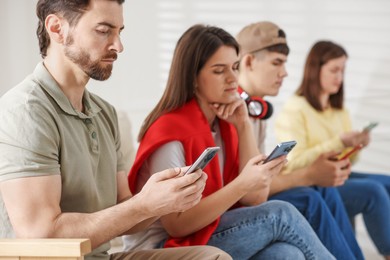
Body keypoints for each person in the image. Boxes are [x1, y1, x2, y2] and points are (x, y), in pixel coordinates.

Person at [0, 1, 233, 260]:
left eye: (119, 31)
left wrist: (159, 201)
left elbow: (126, 213)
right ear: (57, 28)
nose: (118, 46)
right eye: (103, 30)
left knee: (212, 257)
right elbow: (41, 235)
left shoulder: (105, 114)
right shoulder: (24, 111)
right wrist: (142, 205)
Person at [123, 23, 335, 260]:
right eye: (219, 70)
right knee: (281, 213)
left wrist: (243, 125)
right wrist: (242, 183)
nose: (233, 78)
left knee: (287, 254)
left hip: (207, 230)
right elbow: (177, 225)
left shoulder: (225, 123)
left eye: (234, 67)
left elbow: (255, 198)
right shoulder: (169, 132)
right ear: (193, 77)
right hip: (163, 246)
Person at [235, 21, 364, 260]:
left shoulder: (258, 111)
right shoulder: (233, 112)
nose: (285, 72)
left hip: (254, 198)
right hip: (241, 208)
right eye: (277, 63)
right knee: (311, 195)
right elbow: (249, 191)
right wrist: (308, 174)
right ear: (249, 62)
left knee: (323, 191)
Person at [275, 40, 390, 259]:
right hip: (310, 180)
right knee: (374, 192)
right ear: (315, 69)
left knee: (387, 182)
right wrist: (339, 142)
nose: (340, 77)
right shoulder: (295, 109)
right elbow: (295, 161)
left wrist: (356, 145)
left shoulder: (339, 109)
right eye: (334, 70)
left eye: (343, 70)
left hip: (337, 174)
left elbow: (348, 161)